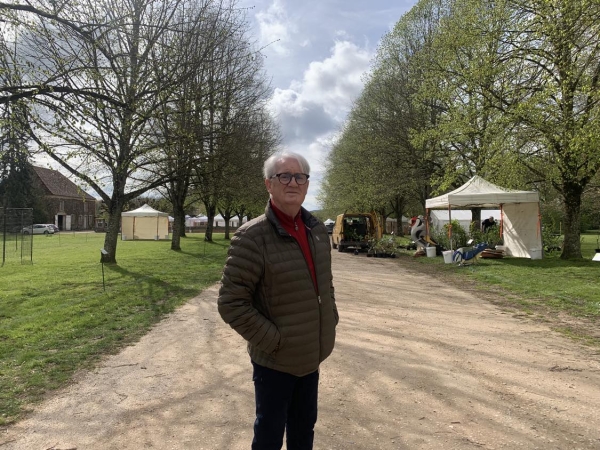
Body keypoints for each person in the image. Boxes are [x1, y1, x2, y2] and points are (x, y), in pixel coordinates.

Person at [217, 152, 339, 450]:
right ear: (268, 184)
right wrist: (275, 341)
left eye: (300, 177)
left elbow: (325, 284)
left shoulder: (317, 231)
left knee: (303, 431)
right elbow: (231, 303)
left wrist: (330, 319)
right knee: (269, 436)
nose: (293, 182)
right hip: (275, 362)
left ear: (307, 184)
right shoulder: (252, 237)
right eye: (284, 176)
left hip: (312, 355)